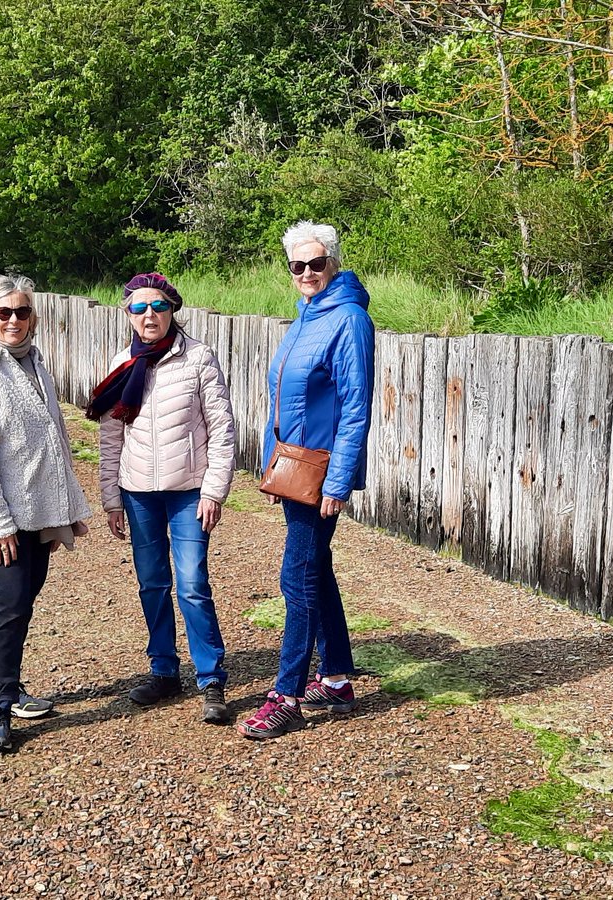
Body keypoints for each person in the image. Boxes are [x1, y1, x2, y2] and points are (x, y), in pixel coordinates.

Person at [237, 221, 375, 741]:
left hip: (319, 473)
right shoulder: (305, 317)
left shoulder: (348, 320)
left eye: (317, 263)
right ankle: (337, 678)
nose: (308, 272)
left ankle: (286, 695)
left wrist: (338, 482)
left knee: (296, 578)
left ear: (333, 262)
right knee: (316, 570)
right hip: (293, 469)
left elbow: (356, 408)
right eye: (298, 265)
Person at [0, 274, 91, 751]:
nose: (12, 320)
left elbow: (53, 442)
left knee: (22, 601)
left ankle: (2, 689)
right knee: (8, 604)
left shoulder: (33, 365)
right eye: (2, 312)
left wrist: (67, 508)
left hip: (38, 512)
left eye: (21, 312)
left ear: (32, 317)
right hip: (0, 520)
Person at [87, 273, 236, 725]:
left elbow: (222, 430)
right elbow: (111, 437)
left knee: (192, 584)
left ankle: (210, 679)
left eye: (157, 307)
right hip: (137, 494)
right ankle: (164, 671)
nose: (148, 315)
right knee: (152, 583)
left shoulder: (199, 359)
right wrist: (111, 497)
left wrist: (214, 489)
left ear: (173, 309)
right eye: (138, 308)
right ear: (127, 313)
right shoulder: (122, 364)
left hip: (189, 491)